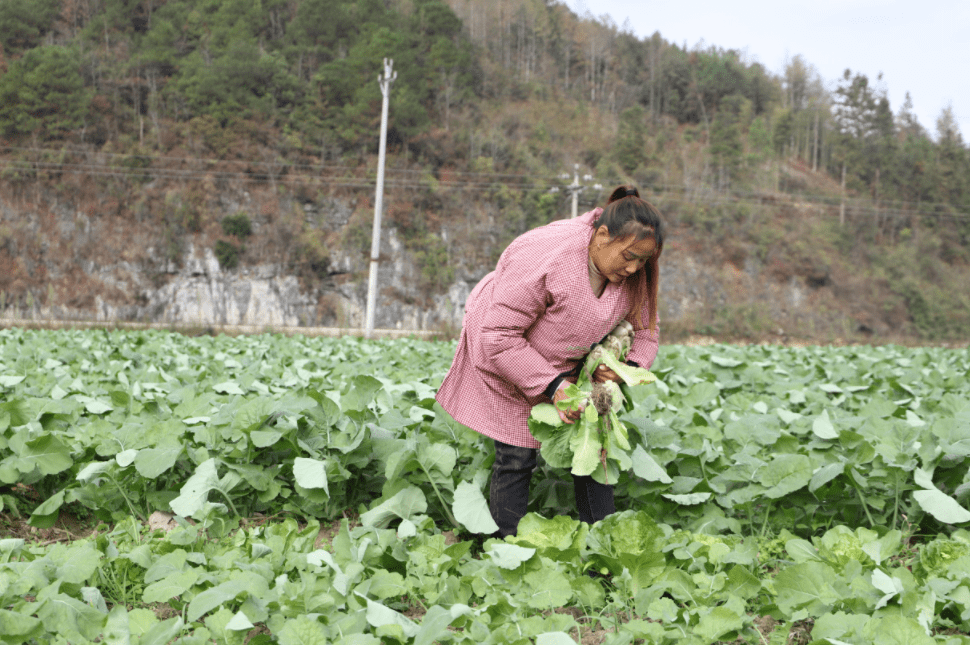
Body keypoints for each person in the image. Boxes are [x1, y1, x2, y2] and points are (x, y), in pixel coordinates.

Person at [436, 185, 665, 537]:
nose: (635, 268)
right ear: (602, 236)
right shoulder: (546, 253)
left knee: (594, 441)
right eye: (629, 256)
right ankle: (502, 546)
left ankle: (602, 539)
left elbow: (646, 331)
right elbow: (499, 336)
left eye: (643, 261)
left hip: (571, 356)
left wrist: (625, 370)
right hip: (505, 349)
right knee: (517, 453)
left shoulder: (633, 272)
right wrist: (555, 386)